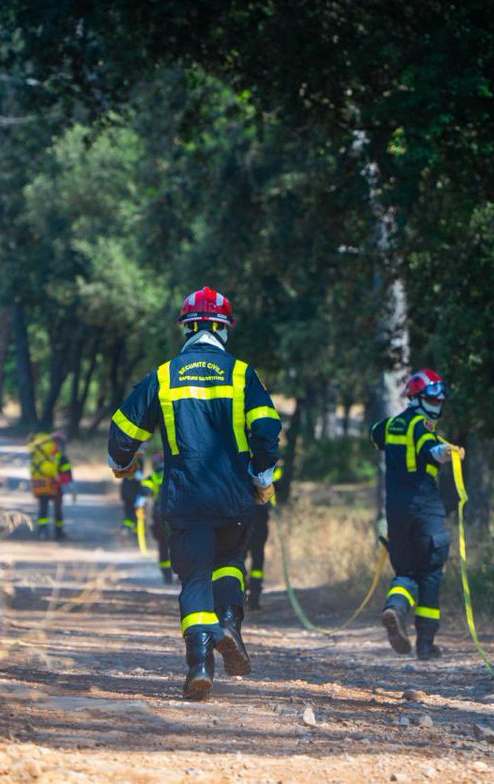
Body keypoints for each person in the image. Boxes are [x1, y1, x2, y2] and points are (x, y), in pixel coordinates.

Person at [108, 286, 281, 701]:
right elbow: (267, 427)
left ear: (186, 327)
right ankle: (229, 624)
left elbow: (123, 433)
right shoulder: (242, 374)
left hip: (184, 498)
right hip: (232, 497)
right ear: (224, 329)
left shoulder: (164, 376)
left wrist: (122, 463)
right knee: (229, 564)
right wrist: (262, 477)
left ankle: (199, 665)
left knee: (194, 577)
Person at [370, 369, 463, 660]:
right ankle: (425, 645)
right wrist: (449, 452)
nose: (438, 405)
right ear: (418, 399)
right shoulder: (422, 425)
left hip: (396, 512)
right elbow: (430, 449)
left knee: (406, 572)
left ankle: (395, 607)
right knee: (431, 574)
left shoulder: (389, 425)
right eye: (433, 400)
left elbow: (376, 434)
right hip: (425, 510)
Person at [245, 458, 284, 611]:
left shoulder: (239, 460)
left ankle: (240, 596)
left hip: (243, 517)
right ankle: (254, 597)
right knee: (257, 556)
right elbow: (277, 486)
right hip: (259, 516)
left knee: (239, 556)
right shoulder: (269, 465)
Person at [30, 431, 74, 540]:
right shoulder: (61, 458)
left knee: (43, 508)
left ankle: (42, 531)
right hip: (56, 486)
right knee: (58, 509)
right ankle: (59, 532)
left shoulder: (40, 457)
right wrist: (71, 488)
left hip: (42, 484)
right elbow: (67, 476)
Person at [136, 453, 173, 583]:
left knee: (163, 546)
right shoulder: (179, 472)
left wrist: (140, 505)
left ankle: (167, 576)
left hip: (160, 516)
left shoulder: (154, 476)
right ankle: (184, 576)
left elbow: (144, 490)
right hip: (180, 517)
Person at [120, 451, 146, 533]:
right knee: (131, 513)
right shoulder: (132, 460)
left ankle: (134, 532)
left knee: (135, 514)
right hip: (130, 493)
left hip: (132, 492)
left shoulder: (138, 460)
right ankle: (129, 531)